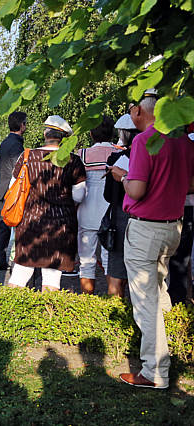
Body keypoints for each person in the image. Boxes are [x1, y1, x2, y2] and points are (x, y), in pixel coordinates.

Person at [110, 89, 194, 389]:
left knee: (145, 301)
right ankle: (172, 344)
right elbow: (191, 184)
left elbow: (136, 191)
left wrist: (122, 177)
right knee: (158, 290)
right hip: (173, 227)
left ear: (140, 112)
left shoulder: (144, 140)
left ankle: (155, 371)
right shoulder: (184, 141)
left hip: (146, 228)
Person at [7, 115, 87, 291]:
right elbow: (79, 195)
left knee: (19, 275)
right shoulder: (73, 161)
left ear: (45, 133)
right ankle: (47, 308)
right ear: (63, 137)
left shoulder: (27, 157)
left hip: (29, 223)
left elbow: (13, 187)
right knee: (52, 280)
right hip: (60, 226)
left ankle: (11, 307)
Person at [77, 116, 119, 294]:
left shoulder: (82, 155)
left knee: (86, 261)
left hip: (86, 211)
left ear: (91, 134)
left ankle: (86, 302)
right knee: (111, 261)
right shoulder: (120, 153)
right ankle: (113, 302)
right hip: (111, 213)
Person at [102, 114, 140, 297]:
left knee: (116, 271)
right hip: (146, 217)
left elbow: (108, 195)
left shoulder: (115, 159)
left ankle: (116, 307)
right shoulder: (152, 156)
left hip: (121, 216)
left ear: (124, 134)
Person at [0, 111, 27, 270]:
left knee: (3, 227)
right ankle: (17, 260)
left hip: (3, 189)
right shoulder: (17, 145)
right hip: (12, 191)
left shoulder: (5, 142)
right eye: (25, 123)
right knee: (18, 225)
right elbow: (18, 169)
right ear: (21, 125)